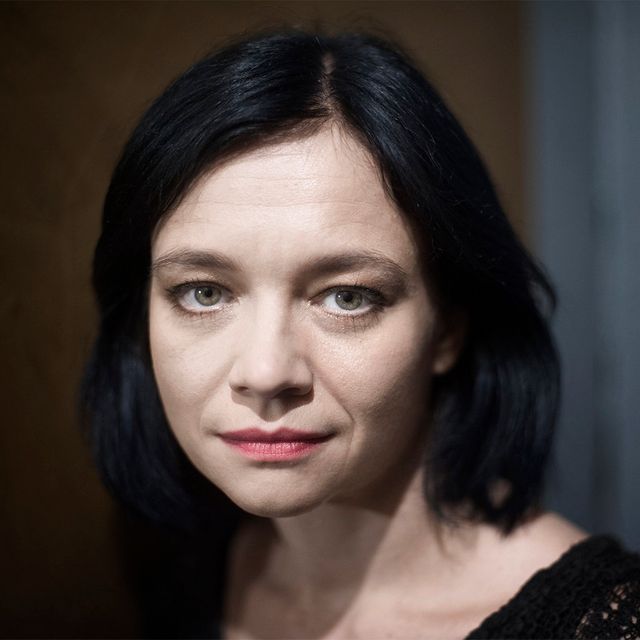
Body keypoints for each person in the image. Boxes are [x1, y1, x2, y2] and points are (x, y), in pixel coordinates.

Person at [82, 30, 640, 639]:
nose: (266, 373)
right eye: (204, 293)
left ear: (449, 328)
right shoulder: (180, 562)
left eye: (347, 297)